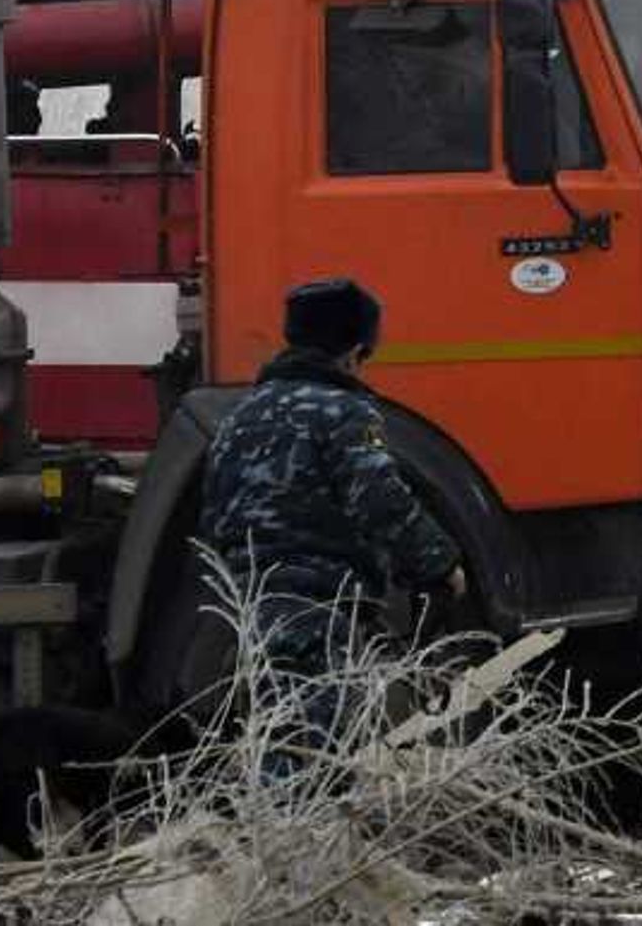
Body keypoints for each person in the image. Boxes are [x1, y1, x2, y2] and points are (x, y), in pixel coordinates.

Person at [198, 277, 462, 763]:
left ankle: (271, 832)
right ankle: (296, 838)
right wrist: (440, 564)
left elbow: (213, 515)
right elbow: (380, 499)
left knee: (275, 734)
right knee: (312, 755)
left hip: (252, 603)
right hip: (320, 606)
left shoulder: (239, 417)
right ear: (354, 350)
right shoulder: (343, 412)